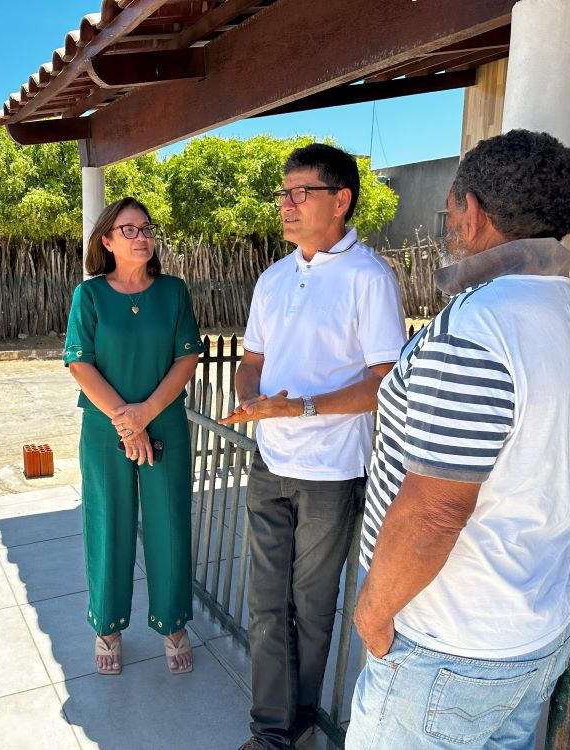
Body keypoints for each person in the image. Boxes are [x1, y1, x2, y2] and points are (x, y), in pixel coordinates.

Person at [348, 129, 570, 749]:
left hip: (450, 643)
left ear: (471, 211)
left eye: (448, 209)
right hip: (534, 628)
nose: (447, 222)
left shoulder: (479, 325)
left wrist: (372, 612)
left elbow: (438, 507)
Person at [221, 143, 407, 750]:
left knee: (312, 607)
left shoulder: (369, 278)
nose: (287, 205)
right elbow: (253, 359)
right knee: (266, 604)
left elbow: (383, 383)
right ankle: (271, 731)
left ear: (341, 200)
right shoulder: (274, 278)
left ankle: (295, 720)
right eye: (283, 194)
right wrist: (249, 395)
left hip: (332, 470)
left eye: (301, 193)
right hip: (271, 460)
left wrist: (297, 407)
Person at [64, 196, 204, 675]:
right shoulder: (90, 296)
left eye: (146, 228)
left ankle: (172, 622)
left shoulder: (173, 292)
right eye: (129, 230)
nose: (142, 236)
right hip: (105, 427)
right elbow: (79, 363)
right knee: (108, 522)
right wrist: (127, 421)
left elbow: (187, 357)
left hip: (162, 419)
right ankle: (107, 625)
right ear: (106, 240)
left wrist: (145, 414)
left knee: (169, 521)